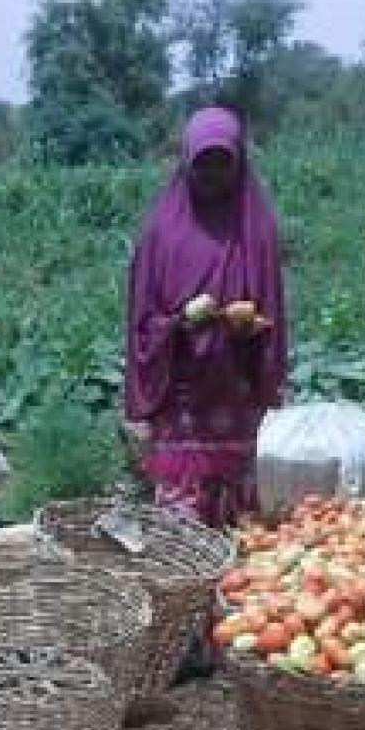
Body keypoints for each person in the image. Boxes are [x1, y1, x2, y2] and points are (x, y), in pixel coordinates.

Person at [124, 107, 288, 529]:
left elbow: (271, 310)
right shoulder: (161, 233)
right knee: (183, 523)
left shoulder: (257, 229)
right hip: (181, 395)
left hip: (236, 390)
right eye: (203, 163)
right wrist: (177, 323)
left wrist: (251, 326)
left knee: (240, 520)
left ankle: (232, 588)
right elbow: (143, 321)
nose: (213, 174)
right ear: (186, 163)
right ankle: (185, 584)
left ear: (239, 164)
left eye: (223, 162)